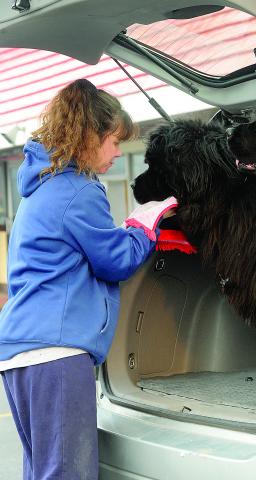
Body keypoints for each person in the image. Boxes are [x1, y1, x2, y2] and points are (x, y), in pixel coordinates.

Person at [0, 78, 177, 480]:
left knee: (42, 471)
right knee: (67, 474)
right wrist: (143, 225)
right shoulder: (78, 190)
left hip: (20, 348)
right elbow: (116, 261)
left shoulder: (40, 188)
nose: (118, 152)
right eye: (114, 141)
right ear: (88, 136)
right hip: (56, 352)